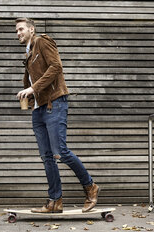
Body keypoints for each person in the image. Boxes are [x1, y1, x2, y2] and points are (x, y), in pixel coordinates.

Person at [15, 17, 100, 213]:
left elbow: (56, 67)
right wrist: (27, 92)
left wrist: (32, 88)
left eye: (21, 29)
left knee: (60, 152)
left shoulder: (43, 41)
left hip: (55, 104)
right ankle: (55, 201)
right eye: (16, 31)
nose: (18, 33)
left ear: (32, 29)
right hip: (39, 109)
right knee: (47, 157)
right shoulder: (28, 52)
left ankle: (90, 187)